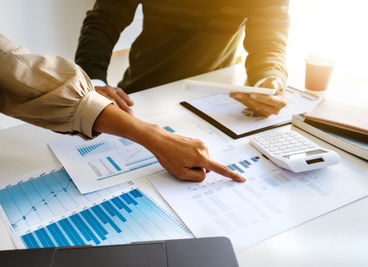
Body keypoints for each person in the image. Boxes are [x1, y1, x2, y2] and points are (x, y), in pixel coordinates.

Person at [0, 33, 245, 183]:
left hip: (215, 81)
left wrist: (271, 75)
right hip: (142, 84)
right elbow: (14, 69)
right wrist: (154, 135)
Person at [75, 0, 289, 117]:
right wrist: (93, 82)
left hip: (219, 100)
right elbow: (104, 20)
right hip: (144, 95)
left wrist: (268, 81)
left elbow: (269, 36)